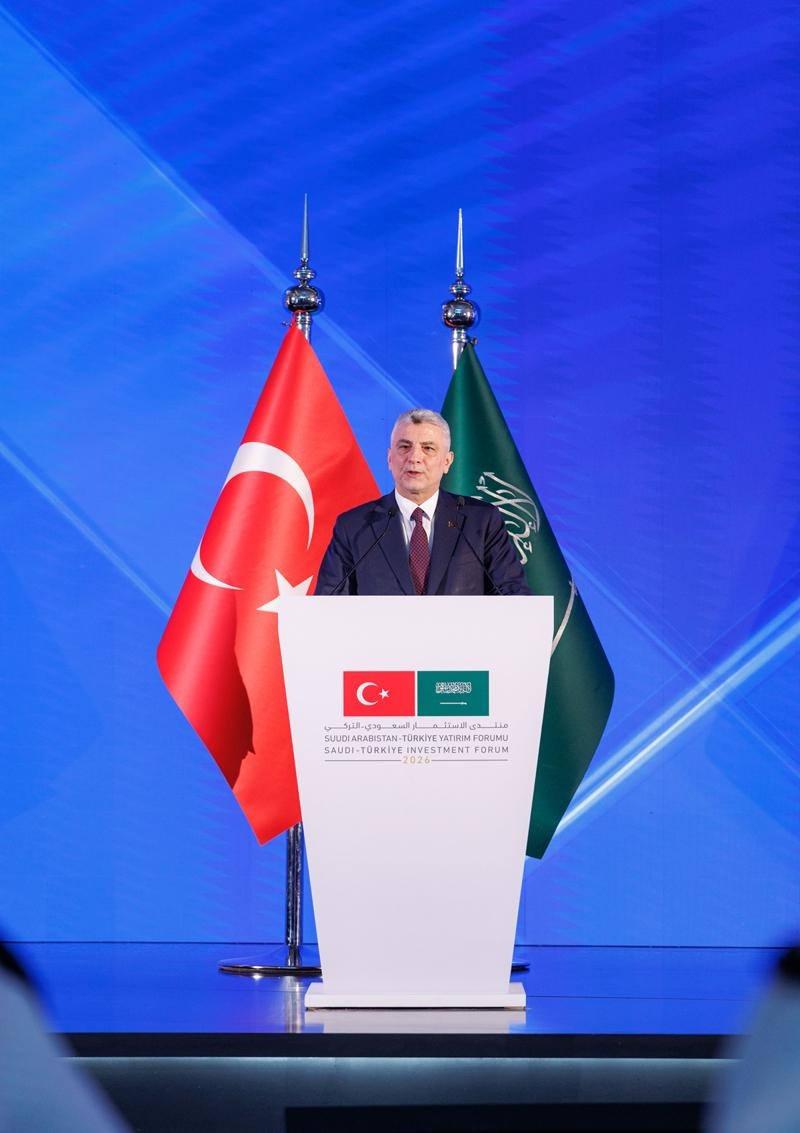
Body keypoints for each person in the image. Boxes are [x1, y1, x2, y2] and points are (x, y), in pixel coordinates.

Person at [315, 408, 531, 596]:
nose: (414, 458)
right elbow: (328, 605)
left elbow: (513, 598)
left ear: (447, 462)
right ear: (389, 458)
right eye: (404, 447)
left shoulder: (482, 522)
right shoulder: (354, 527)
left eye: (428, 448)